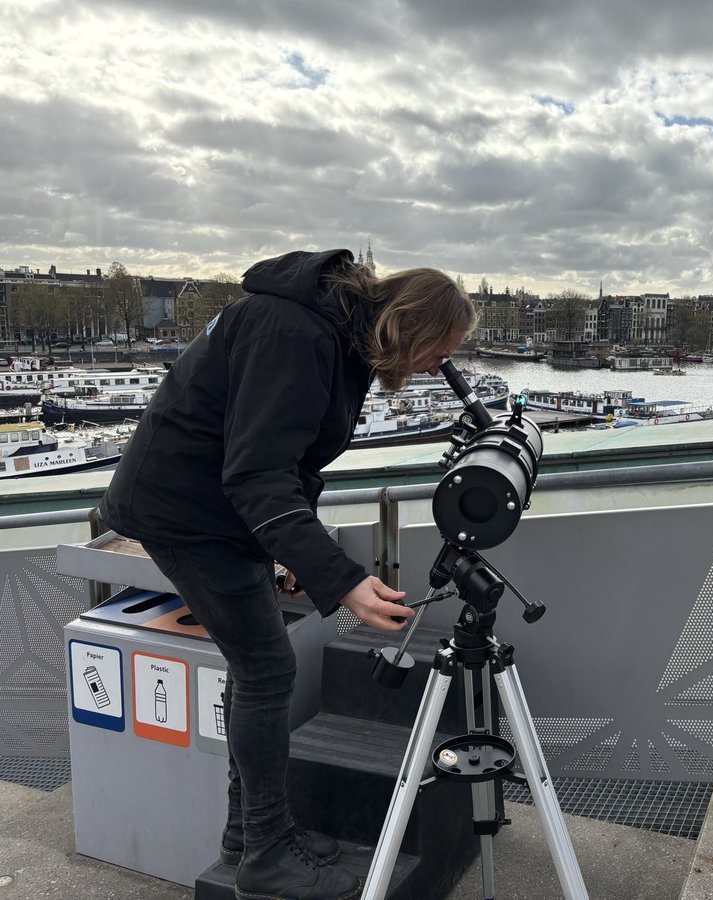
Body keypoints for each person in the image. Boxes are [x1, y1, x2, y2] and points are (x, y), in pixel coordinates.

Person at [100, 249, 476, 900]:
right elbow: (256, 473)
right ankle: (267, 851)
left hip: (213, 506)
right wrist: (343, 579)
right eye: (441, 349)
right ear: (410, 323)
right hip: (189, 509)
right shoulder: (297, 334)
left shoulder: (329, 332)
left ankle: (249, 836)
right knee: (268, 670)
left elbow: (286, 458)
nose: (440, 367)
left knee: (257, 669)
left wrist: (292, 554)